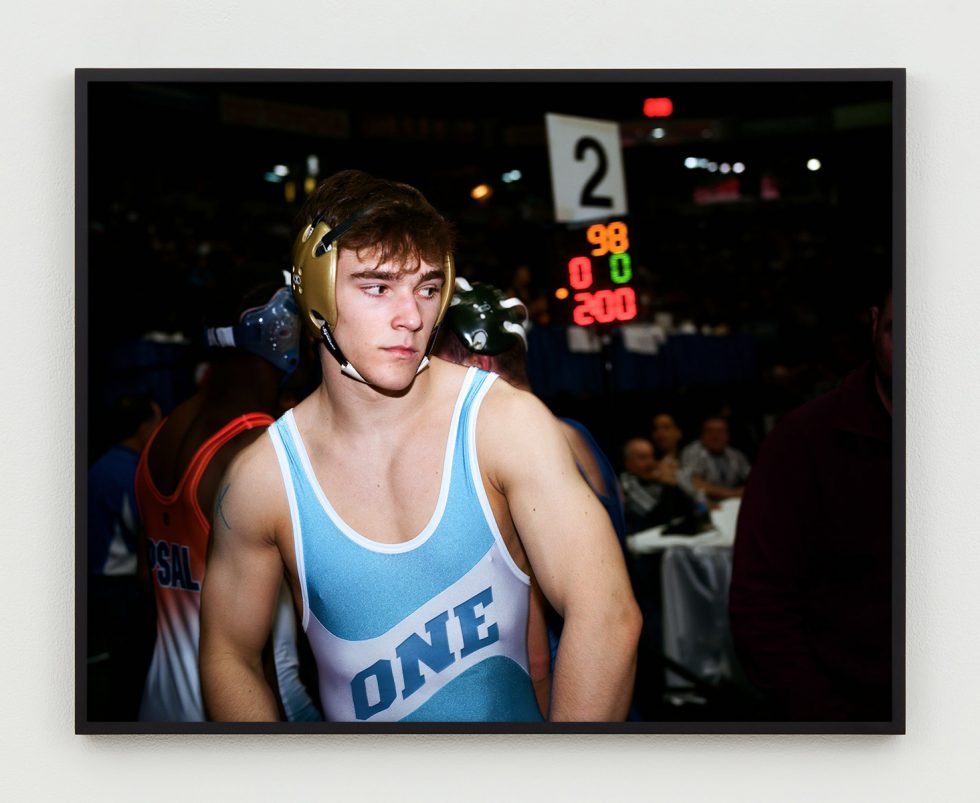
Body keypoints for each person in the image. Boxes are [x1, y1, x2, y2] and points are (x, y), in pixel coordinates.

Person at [199, 169, 641, 723]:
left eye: (428, 289)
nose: (411, 317)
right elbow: (228, 654)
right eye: (377, 286)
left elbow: (606, 613)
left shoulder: (504, 424)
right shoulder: (262, 479)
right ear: (312, 289)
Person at [432, 277, 630, 712]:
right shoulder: (573, 433)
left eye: (440, 365)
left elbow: (534, 656)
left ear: (478, 365)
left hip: (566, 697)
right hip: (611, 684)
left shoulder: (509, 452)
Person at [135, 283, 319, 722]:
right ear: (283, 335)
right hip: (248, 706)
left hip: (162, 702)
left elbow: (149, 577)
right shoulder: (259, 450)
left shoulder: (164, 432)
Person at [729, 289, 893, 721]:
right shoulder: (803, 441)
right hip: (851, 713)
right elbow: (760, 605)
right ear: (875, 325)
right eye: (902, 332)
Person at [87, 394, 161, 720]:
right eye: (157, 422)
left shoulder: (99, 465)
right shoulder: (131, 472)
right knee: (131, 671)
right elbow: (143, 529)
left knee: (115, 667)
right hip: (122, 588)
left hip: (96, 581)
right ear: (144, 428)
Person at [620, 437, 697, 535]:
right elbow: (658, 520)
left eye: (652, 456)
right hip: (644, 538)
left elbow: (687, 509)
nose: (651, 462)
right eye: (643, 457)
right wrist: (668, 484)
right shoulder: (626, 484)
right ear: (628, 463)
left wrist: (673, 482)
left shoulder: (654, 479)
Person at [679, 417, 751, 502]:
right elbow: (695, 484)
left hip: (732, 504)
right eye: (710, 431)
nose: (716, 436)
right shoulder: (693, 451)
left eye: (721, 431)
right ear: (702, 435)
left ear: (727, 435)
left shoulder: (735, 454)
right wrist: (733, 493)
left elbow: (753, 477)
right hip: (704, 506)